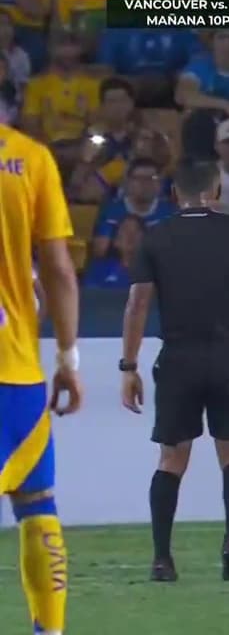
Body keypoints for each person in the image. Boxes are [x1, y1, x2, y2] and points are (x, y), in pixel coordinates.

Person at [119, 159, 229, 582]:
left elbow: (137, 304)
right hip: (228, 355)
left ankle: (162, 559)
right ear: (217, 191)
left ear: (174, 194)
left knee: (171, 458)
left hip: (178, 357)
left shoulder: (156, 236)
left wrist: (129, 365)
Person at [0, 124, 83, 635]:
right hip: (15, 370)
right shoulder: (29, 158)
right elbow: (58, 269)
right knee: (36, 504)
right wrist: (68, 359)